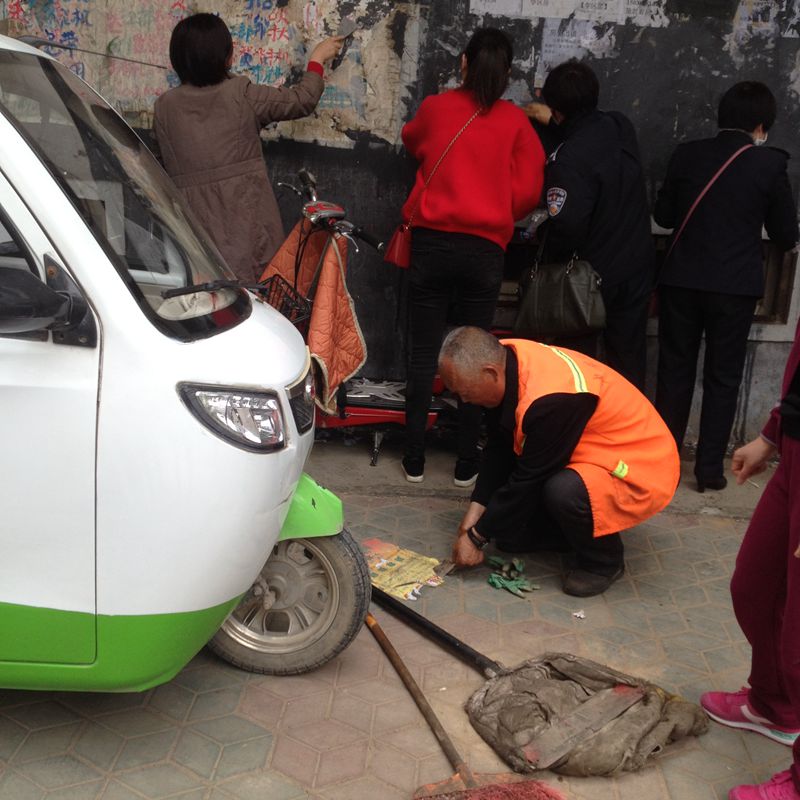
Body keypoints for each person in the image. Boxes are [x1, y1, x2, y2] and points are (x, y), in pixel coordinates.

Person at [399, 27, 545, 488]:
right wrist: (498, 208)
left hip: (432, 244)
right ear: (508, 72)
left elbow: (412, 140)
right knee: (477, 353)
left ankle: (414, 459)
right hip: (485, 250)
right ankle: (466, 463)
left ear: (463, 62)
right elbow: (529, 192)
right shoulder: (516, 123)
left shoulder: (436, 108)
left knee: (424, 352)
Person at [438, 326, 679, 597]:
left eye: (465, 393)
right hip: (590, 450)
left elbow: (530, 479)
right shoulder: (505, 358)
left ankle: (604, 561)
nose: (464, 401)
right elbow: (499, 448)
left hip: (640, 464)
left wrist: (476, 538)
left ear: (491, 373)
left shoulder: (551, 399)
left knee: (563, 491)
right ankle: (562, 535)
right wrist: (474, 514)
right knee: (508, 531)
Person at [653, 80, 798, 493]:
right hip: (734, 287)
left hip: (681, 280)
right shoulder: (769, 165)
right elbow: (786, 235)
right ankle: (709, 470)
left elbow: (664, 216)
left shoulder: (687, 154)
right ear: (761, 125)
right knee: (723, 376)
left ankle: (663, 463)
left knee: (674, 371)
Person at [154, 13, 343, 283]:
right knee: (255, 296)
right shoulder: (242, 94)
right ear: (227, 57)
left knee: (204, 296)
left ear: (176, 59)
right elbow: (303, 100)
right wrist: (317, 58)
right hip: (248, 228)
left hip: (190, 233)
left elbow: (158, 164)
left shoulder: (164, 107)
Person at [699, 317, 800, 800]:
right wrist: (772, 435)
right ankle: (774, 706)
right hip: (795, 452)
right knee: (756, 587)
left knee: (799, 640)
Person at [526, 60, 654, 390]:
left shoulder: (567, 160)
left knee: (576, 364)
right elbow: (590, 136)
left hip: (590, 280)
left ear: (556, 110)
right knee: (627, 363)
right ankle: (628, 420)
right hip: (636, 267)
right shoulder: (621, 127)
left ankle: (579, 419)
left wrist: (540, 233)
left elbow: (567, 226)